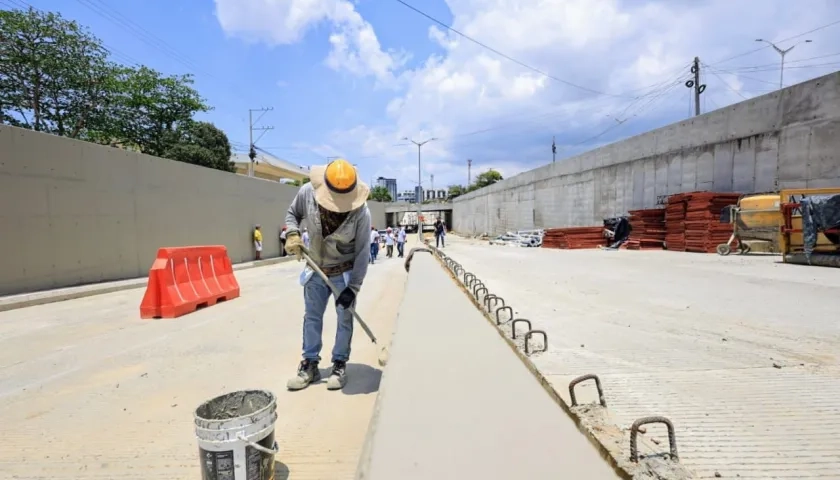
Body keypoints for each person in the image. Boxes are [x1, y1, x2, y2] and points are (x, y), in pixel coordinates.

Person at [283, 158, 371, 391]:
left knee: (344, 318)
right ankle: (309, 364)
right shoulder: (307, 194)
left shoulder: (360, 212)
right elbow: (292, 213)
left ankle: (339, 363)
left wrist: (353, 288)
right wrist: (292, 233)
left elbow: (363, 253)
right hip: (316, 269)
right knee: (312, 317)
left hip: (343, 274)